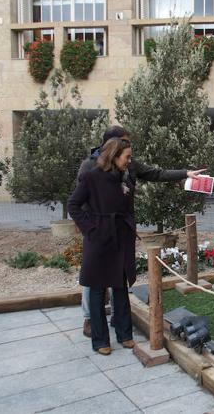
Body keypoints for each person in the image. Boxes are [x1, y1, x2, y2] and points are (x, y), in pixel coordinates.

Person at [78, 125, 207, 337]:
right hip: (98, 231)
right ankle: (90, 319)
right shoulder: (89, 167)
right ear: (112, 144)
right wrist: (90, 228)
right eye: (125, 142)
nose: (129, 149)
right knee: (93, 277)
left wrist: (185, 173)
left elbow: (156, 173)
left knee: (118, 276)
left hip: (120, 230)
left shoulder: (129, 164)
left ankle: (119, 322)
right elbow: (79, 201)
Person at [68, 139, 137, 355]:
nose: (129, 160)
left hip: (120, 237)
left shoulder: (123, 177)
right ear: (115, 156)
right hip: (98, 239)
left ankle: (125, 335)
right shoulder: (90, 176)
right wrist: (91, 229)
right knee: (97, 290)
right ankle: (100, 341)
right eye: (127, 156)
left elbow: (127, 208)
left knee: (120, 287)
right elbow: (73, 205)